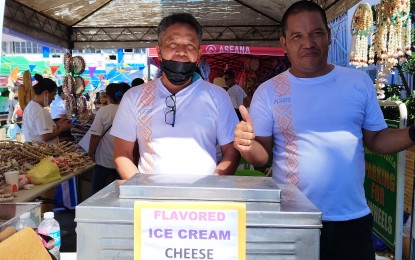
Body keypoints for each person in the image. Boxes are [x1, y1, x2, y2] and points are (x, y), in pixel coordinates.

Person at [233, 1, 415, 259]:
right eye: (297, 36)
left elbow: (376, 140)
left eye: (316, 33)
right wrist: (247, 145)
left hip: (351, 220)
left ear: (328, 36)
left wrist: (412, 133)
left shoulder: (358, 82)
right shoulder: (269, 91)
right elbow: (263, 155)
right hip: (292, 220)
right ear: (284, 43)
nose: (308, 43)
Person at [111, 12, 240, 179]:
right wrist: (142, 192)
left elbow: (231, 151)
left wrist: (211, 186)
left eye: (190, 45)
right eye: (172, 44)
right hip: (151, 201)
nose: (181, 51)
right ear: (159, 51)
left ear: (199, 54)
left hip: (204, 199)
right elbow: (122, 155)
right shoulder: (134, 97)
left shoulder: (218, 96)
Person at [88, 83, 127, 194]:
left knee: (97, 190)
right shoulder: (128, 109)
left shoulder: (103, 111)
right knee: (122, 191)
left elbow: (95, 136)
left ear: (108, 96)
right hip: (123, 158)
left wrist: (90, 153)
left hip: (103, 159)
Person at [22, 74, 72, 144]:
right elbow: (45, 137)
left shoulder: (31, 105)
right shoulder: (40, 110)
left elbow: (37, 129)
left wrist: (56, 125)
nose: (53, 98)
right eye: (53, 95)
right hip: (42, 150)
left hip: (34, 146)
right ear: (46, 93)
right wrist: (61, 129)